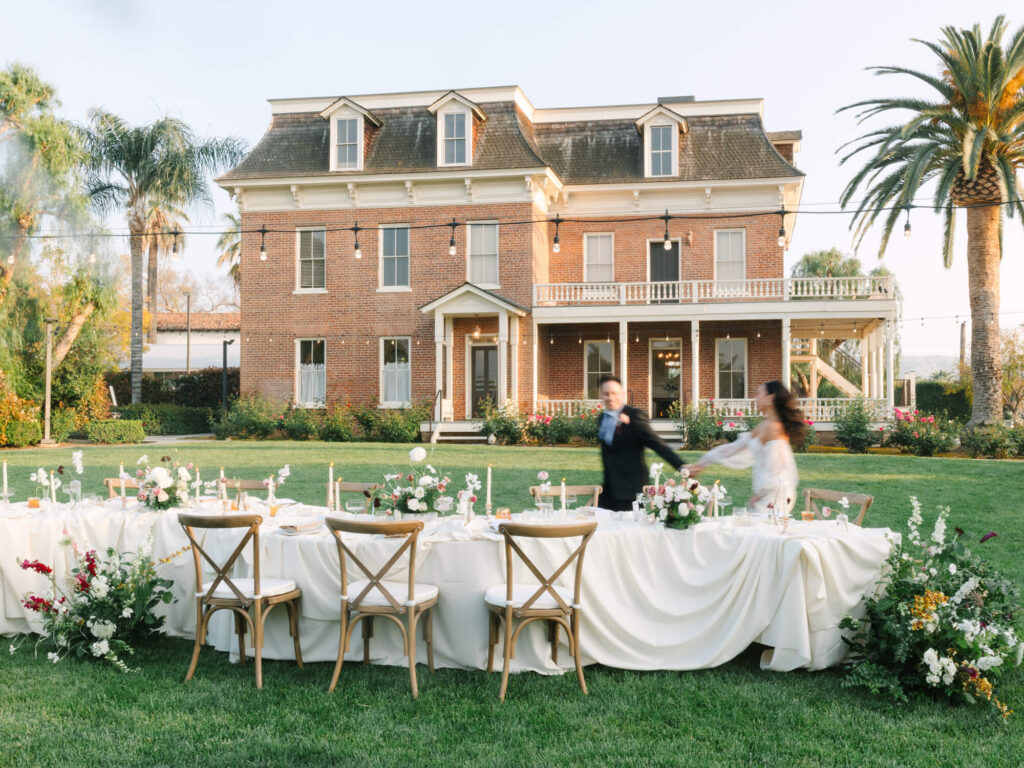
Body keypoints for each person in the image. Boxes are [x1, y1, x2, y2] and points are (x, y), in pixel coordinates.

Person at [685, 380, 805, 515]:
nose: (756, 397)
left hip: (776, 497)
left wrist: (760, 494)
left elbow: (779, 470)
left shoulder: (774, 428)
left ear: (770, 398)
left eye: (759, 393)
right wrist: (702, 463)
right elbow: (734, 448)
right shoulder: (764, 426)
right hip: (766, 494)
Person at [596, 375, 683, 511]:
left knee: (631, 530)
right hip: (608, 489)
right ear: (601, 395)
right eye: (606, 394)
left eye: (614, 393)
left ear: (622, 394)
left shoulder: (635, 415)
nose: (610, 398)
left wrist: (682, 466)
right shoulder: (602, 418)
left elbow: (657, 443)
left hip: (631, 490)